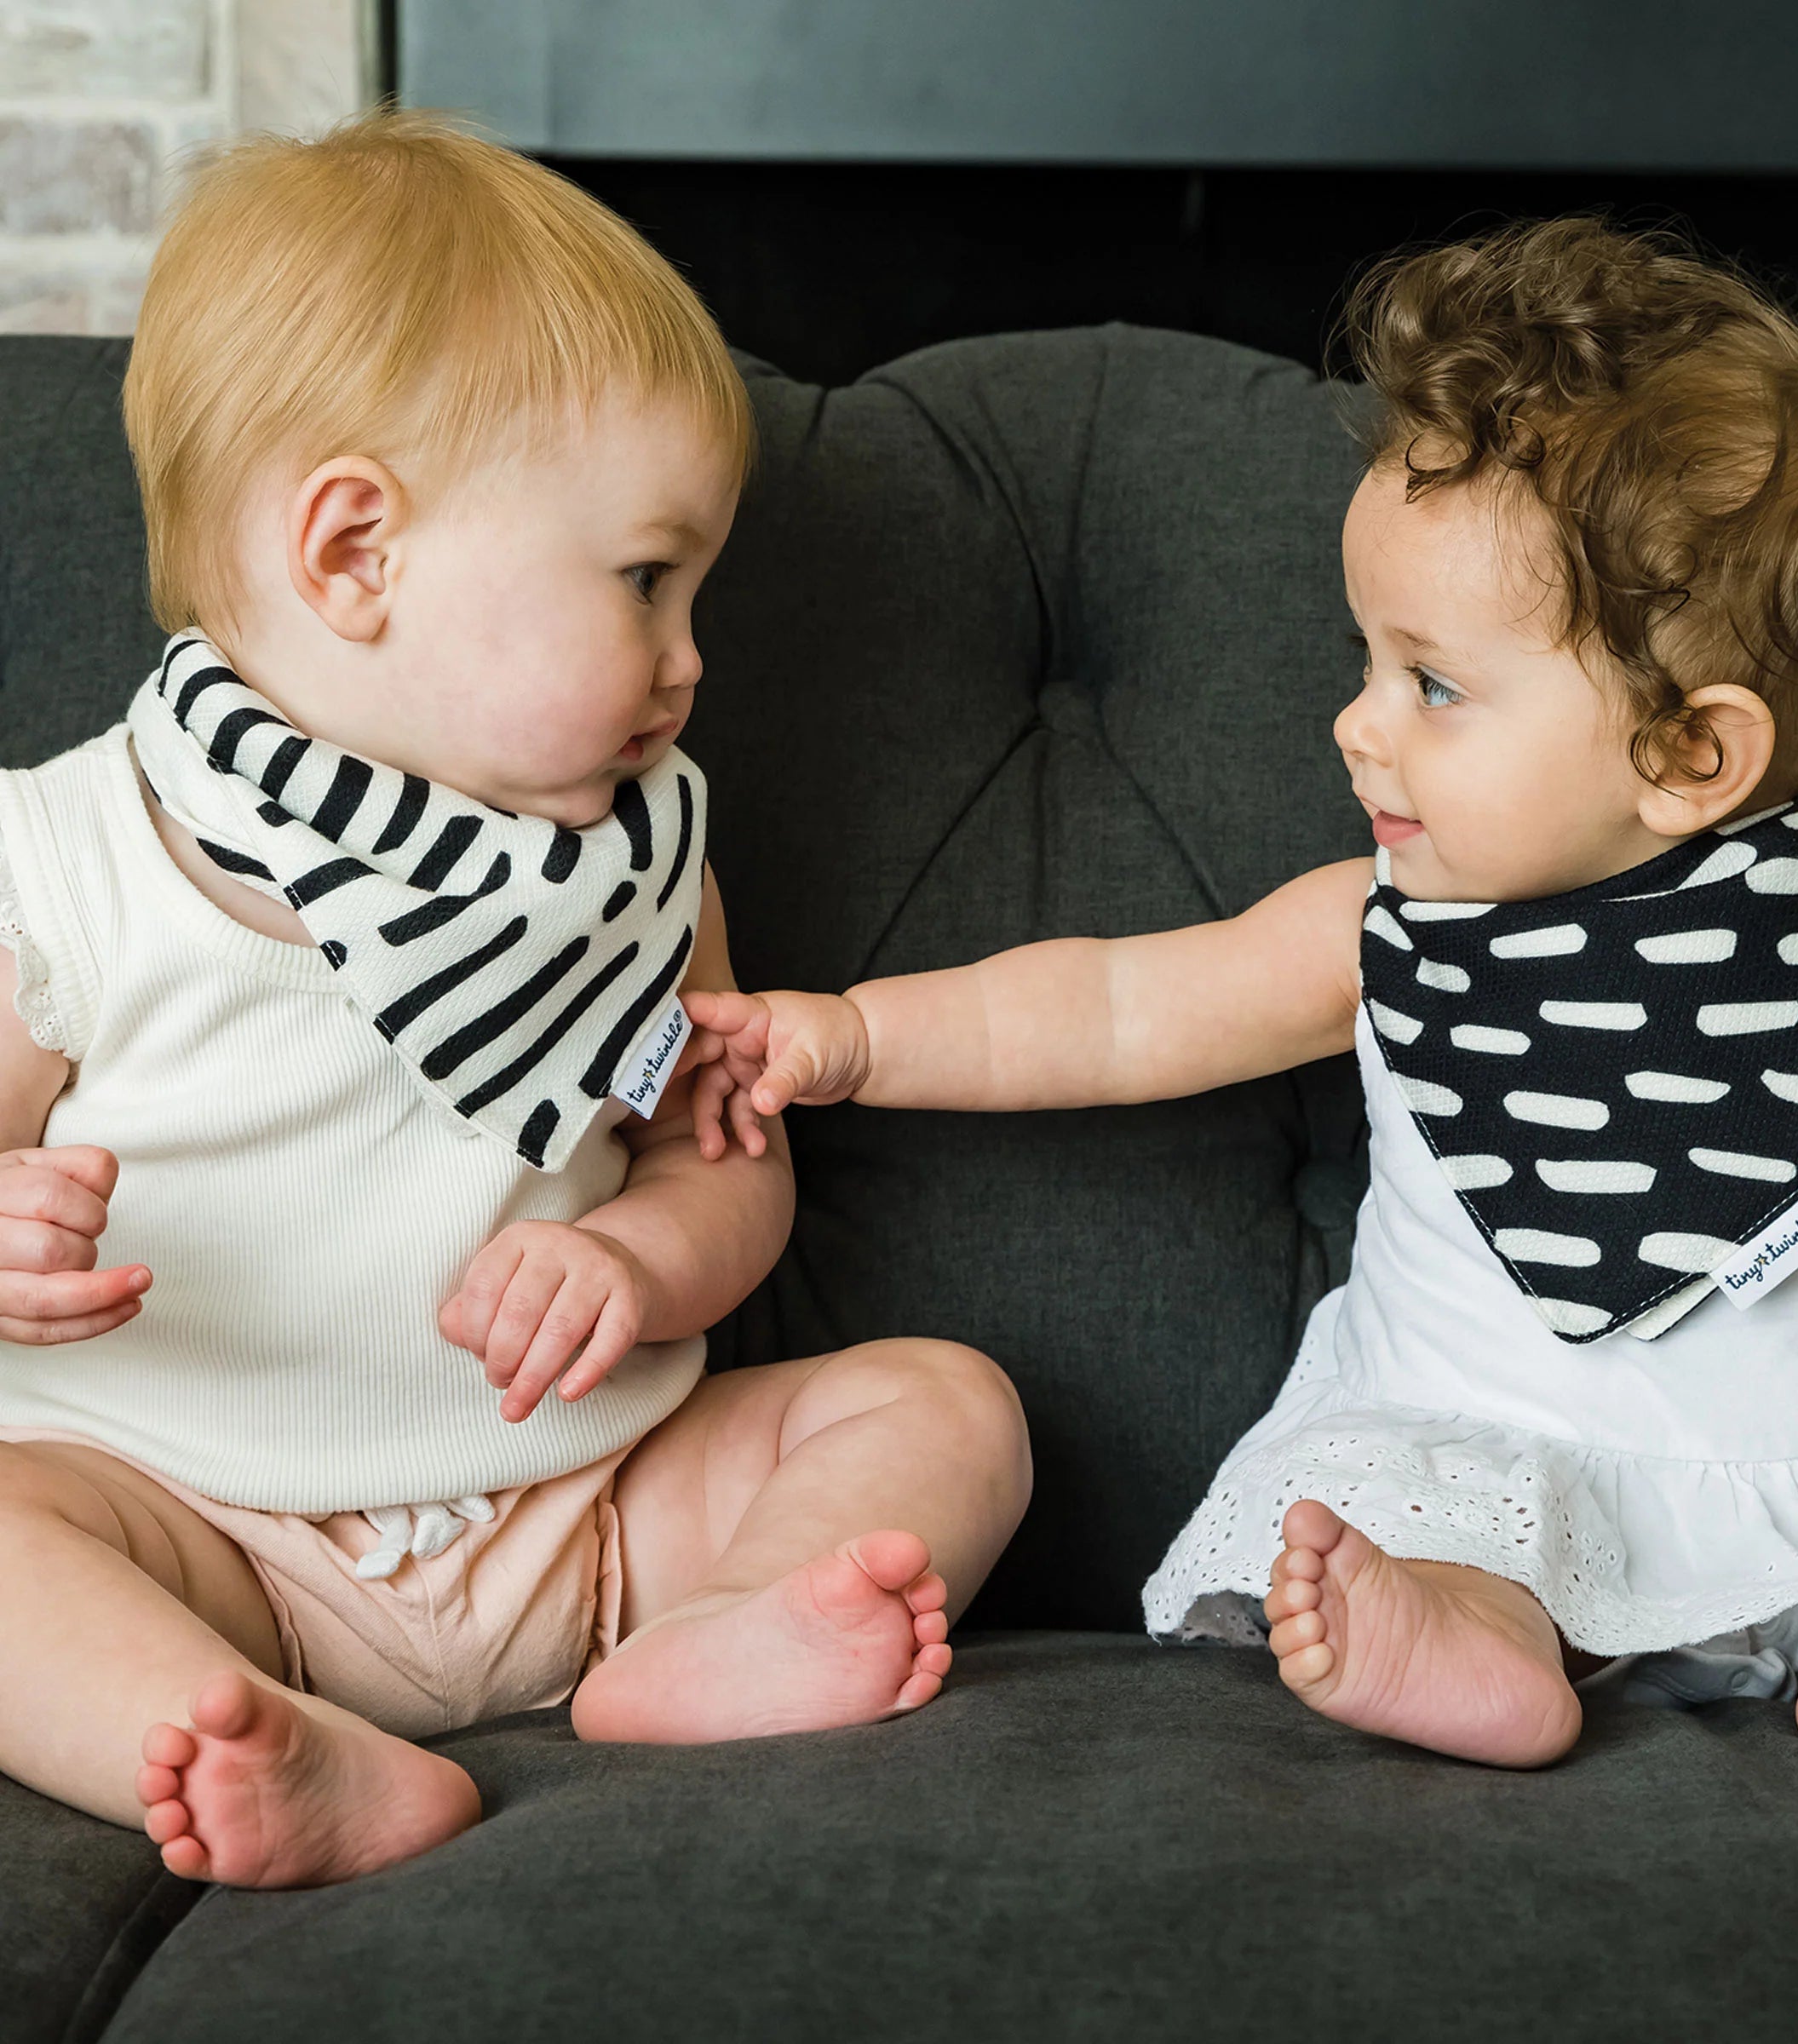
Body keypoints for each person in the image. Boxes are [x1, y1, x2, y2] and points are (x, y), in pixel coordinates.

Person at [681, 216, 1798, 1776]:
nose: (1357, 724)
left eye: (1432, 684)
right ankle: (1475, 1639)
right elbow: (1121, 1013)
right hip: (1510, 1468)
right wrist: (856, 1038)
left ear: (1692, 756)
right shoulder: (1390, 931)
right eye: (1369, 660)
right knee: (1417, 1508)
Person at [0, 109, 1031, 1889]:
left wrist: (637, 1258)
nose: (693, 658)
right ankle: (247, 1736)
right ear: (354, 556)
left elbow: (727, 1165)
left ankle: (716, 1632)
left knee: (952, 1405)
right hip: (204, 1529)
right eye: (646, 580)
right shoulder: (67, 865)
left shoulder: (638, 869)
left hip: (590, 1511)